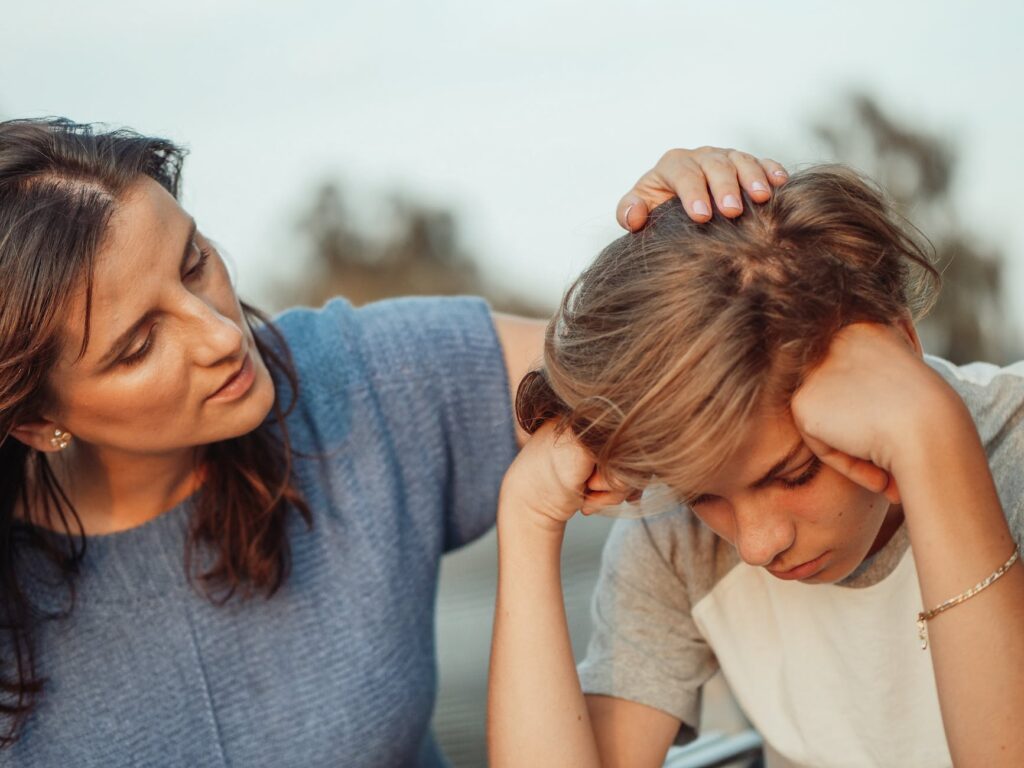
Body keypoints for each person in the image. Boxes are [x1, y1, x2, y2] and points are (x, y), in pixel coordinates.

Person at [0, 118, 786, 765]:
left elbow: (687, 360)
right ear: (37, 420)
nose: (219, 334)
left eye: (195, 262)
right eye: (139, 345)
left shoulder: (364, 380)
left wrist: (708, 247)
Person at [488, 165, 1024, 767]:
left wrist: (932, 438)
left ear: (899, 348)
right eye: (702, 496)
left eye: (793, 474)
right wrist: (527, 519)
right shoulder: (675, 540)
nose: (756, 544)